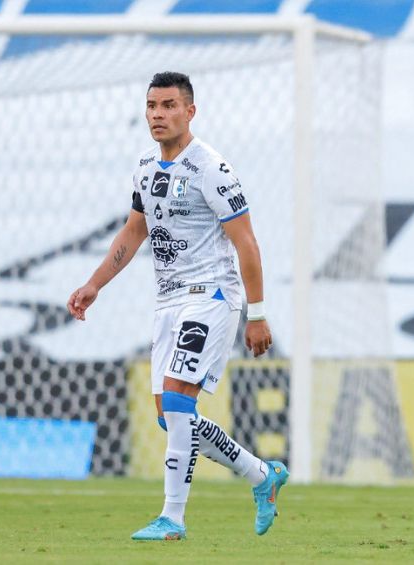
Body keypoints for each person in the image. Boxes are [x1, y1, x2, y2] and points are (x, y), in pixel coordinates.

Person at [67, 72, 287, 541]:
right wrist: (95, 284)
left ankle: (173, 518)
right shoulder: (146, 165)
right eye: (151, 105)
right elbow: (134, 230)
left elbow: (246, 241)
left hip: (211, 296)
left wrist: (258, 312)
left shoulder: (212, 168)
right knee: (171, 416)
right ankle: (262, 477)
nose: (158, 114)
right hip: (167, 299)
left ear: (190, 111)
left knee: (177, 399)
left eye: (169, 105)